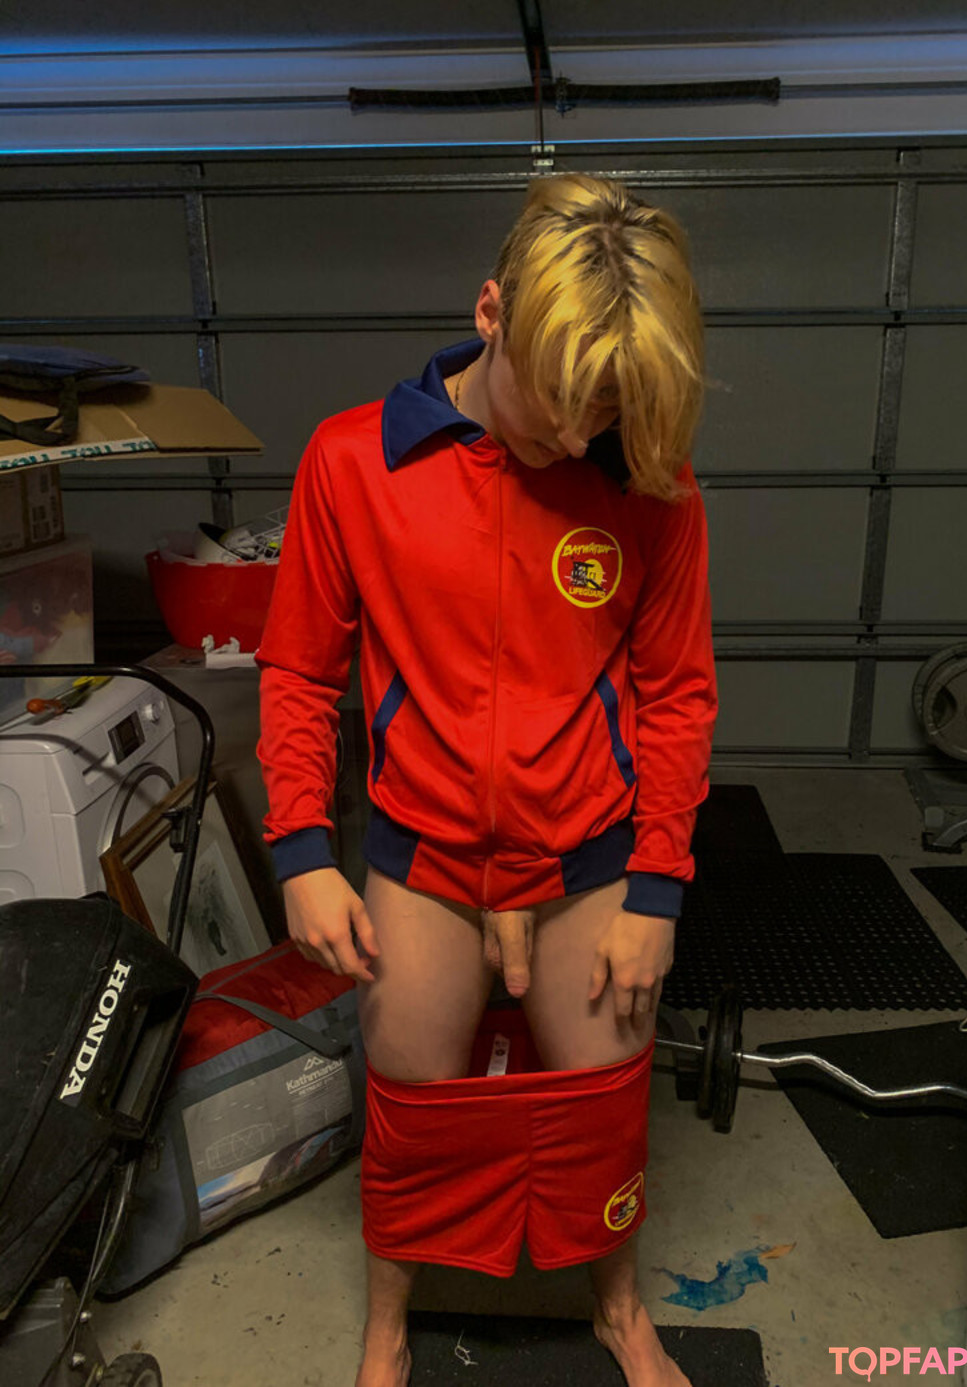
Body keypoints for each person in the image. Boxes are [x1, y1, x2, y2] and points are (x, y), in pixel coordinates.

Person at [255, 173, 718, 1387]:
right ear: (490, 311)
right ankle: (387, 1324)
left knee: (607, 1098)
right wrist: (300, 851)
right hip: (424, 855)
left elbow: (677, 694)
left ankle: (619, 1309)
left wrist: (657, 889)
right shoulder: (351, 461)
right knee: (410, 1102)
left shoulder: (647, 477)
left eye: (601, 411)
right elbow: (299, 670)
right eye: (555, 403)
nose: (573, 441)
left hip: (588, 857)